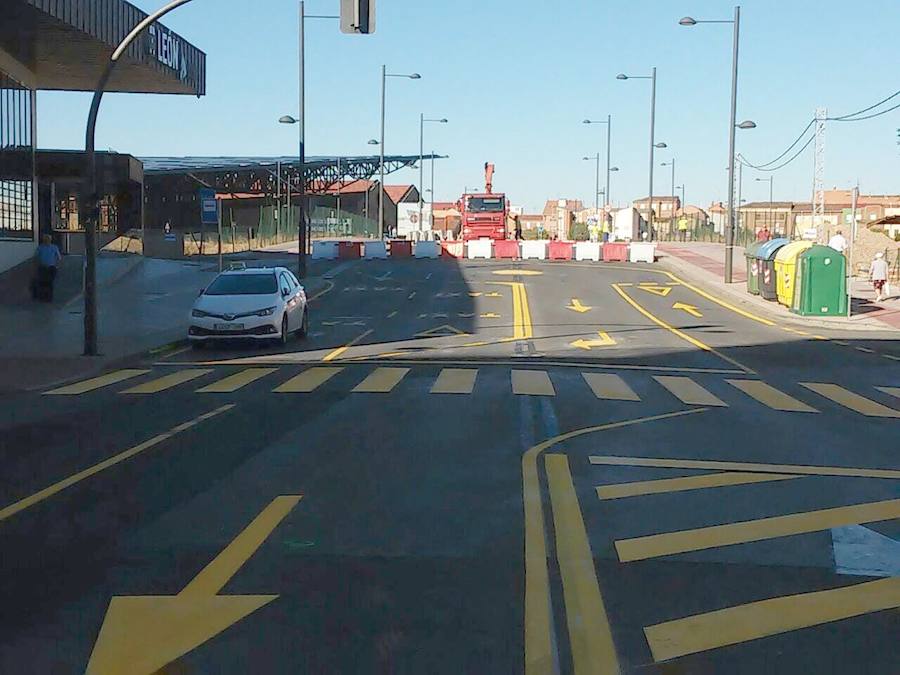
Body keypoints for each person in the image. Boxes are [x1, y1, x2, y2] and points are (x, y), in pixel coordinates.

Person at [32, 234, 62, 302]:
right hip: (43, 267)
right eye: (45, 239)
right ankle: (43, 297)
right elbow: (36, 257)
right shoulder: (40, 247)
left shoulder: (54, 247)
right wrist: (36, 265)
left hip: (51, 267)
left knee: (50, 283)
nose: (46, 240)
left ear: (50, 240)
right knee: (43, 282)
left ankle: (49, 297)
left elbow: (58, 257)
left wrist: (57, 266)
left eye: (48, 239)